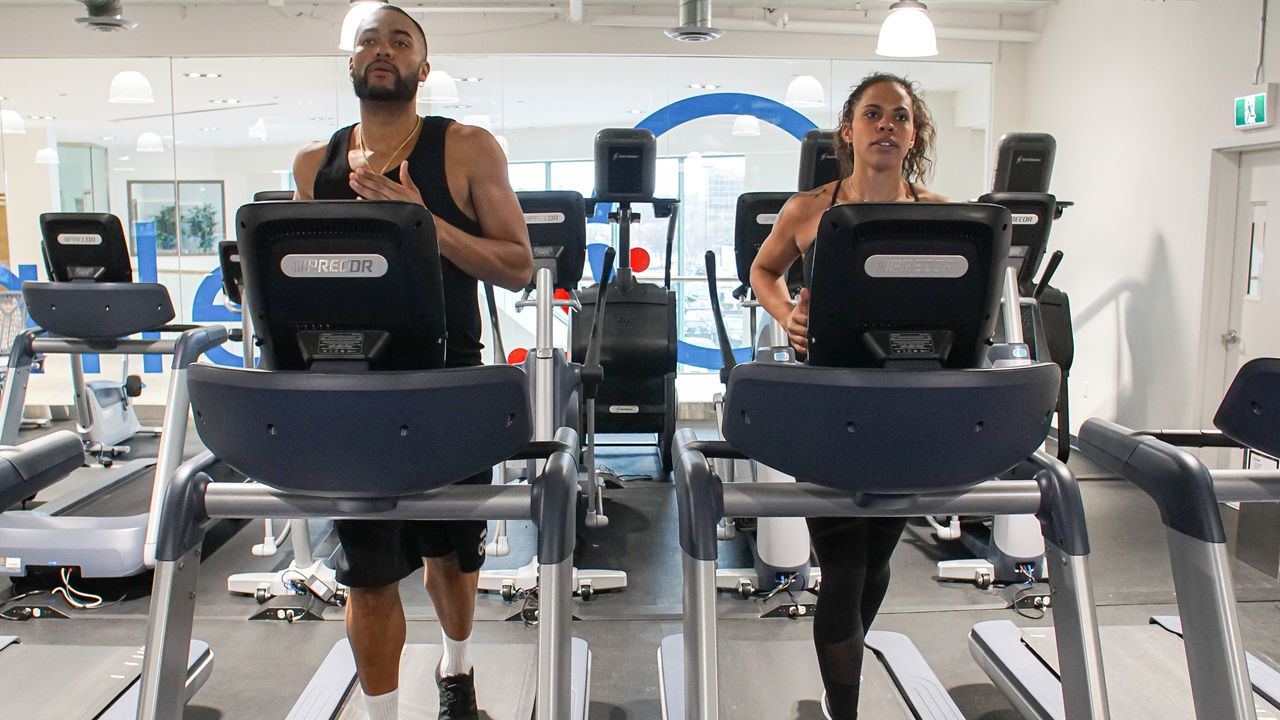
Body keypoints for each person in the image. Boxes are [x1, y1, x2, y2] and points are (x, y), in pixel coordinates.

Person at [291, 5, 533, 720]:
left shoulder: (466, 149)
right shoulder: (316, 165)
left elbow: (518, 266)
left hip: (449, 386)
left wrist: (423, 223)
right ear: (353, 65)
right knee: (367, 576)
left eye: (401, 41)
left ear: (423, 70)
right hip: (353, 391)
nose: (383, 49)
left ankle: (456, 672)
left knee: (451, 562)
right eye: (370, 40)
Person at [749, 72, 945, 720]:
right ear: (850, 130)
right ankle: (846, 710)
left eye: (899, 116)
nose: (887, 125)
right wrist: (785, 314)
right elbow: (763, 268)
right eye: (873, 114)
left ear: (913, 133)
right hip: (828, 407)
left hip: (903, 408)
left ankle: (845, 678)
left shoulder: (939, 212)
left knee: (878, 558)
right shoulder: (809, 209)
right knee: (844, 565)